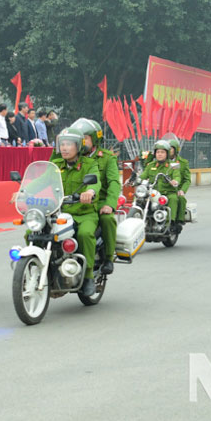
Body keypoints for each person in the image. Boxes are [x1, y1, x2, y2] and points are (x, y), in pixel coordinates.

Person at [54, 127, 103, 295]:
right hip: (59, 213)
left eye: (69, 144)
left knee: (85, 234)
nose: (65, 148)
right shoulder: (56, 165)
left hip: (84, 213)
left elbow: (95, 182)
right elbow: (42, 181)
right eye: (62, 144)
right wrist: (24, 191)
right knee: (33, 231)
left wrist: (90, 192)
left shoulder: (90, 164)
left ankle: (88, 275)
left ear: (79, 146)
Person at [69, 118, 120, 274]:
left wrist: (110, 204)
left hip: (100, 202)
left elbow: (113, 183)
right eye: (77, 138)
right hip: (72, 202)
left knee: (107, 219)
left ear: (95, 139)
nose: (80, 141)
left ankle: (108, 257)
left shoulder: (107, 157)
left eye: (84, 138)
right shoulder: (71, 157)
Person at [140, 139, 192, 224]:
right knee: (141, 198)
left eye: (162, 152)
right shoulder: (151, 165)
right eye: (158, 152)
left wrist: (176, 183)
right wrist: (133, 180)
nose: (160, 154)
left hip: (169, 191)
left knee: (174, 199)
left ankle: (171, 222)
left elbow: (178, 176)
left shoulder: (174, 165)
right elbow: (143, 175)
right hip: (154, 191)